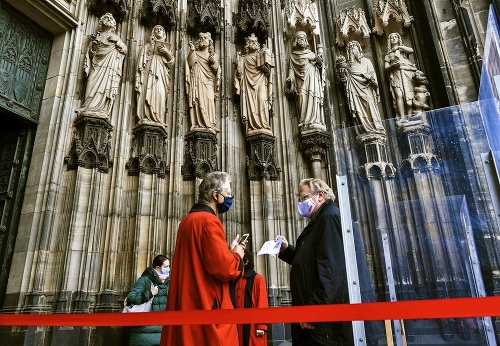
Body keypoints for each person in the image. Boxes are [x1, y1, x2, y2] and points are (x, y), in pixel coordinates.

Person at [277, 178, 383, 346]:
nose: (300, 203)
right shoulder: (320, 220)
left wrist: (313, 312)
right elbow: (312, 262)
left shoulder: (330, 218)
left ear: (320, 195)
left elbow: (331, 270)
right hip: (325, 322)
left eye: (303, 197)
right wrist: (286, 249)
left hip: (330, 324)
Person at [160, 171, 246, 346]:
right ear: (216, 195)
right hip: (206, 301)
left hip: (188, 300)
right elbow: (225, 268)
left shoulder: (187, 220)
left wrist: (226, 251)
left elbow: (202, 257)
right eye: (228, 193)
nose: (230, 197)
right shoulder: (209, 221)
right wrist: (237, 254)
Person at [77, 13, 127, 119]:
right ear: (101, 22)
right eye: (106, 18)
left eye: (111, 19)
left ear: (114, 24)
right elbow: (90, 54)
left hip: (110, 68)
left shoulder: (116, 37)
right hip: (97, 65)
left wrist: (117, 42)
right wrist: (94, 46)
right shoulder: (97, 36)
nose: (108, 19)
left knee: (105, 87)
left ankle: (102, 109)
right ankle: (88, 106)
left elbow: (124, 50)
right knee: (91, 82)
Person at [336, 41, 385, 136]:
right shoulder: (348, 66)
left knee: (369, 103)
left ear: (359, 49)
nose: (352, 50)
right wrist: (341, 73)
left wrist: (369, 78)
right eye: (350, 49)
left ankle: (376, 127)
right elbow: (345, 80)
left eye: (354, 47)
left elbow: (372, 75)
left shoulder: (366, 61)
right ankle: (364, 129)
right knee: (358, 109)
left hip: (365, 88)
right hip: (354, 90)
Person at [235, 33, 274, 136]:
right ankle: (251, 126)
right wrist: (238, 70)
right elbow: (240, 76)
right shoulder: (244, 59)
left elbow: (268, 72)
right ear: (247, 45)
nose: (254, 44)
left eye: (255, 42)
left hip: (260, 83)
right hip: (248, 86)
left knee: (262, 100)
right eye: (252, 42)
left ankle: (263, 124)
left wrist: (264, 66)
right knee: (251, 105)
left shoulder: (260, 55)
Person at [285, 31, 326, 132]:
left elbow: (320, 68)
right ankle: (305, 122)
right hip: (301, 82)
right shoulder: (293, 56)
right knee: (302, 98)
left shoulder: (311, 54)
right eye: (299, 38)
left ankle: (316, 120)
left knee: (314, 97)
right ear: (295, 41)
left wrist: (319, 64)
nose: (301, 40)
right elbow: (291, 70)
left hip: (312, 79)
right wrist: (290, 79)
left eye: (303, 38)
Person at [126, 255, 171, 346]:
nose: (169, 269)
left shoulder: (169, 282)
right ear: (158, 268)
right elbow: (131, 298)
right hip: (144, 332)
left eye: (169, 266)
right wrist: (149, 294)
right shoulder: (145, 280)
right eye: (166, 267)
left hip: (162, 331)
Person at [135, 25, 175, 125]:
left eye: (161, 29)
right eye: (156, 29)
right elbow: (141, 63)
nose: (159, 30)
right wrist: (151, 50)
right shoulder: (147, 46)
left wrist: (166, 53)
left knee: (160, 94)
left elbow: (171, 63)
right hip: (149, 74)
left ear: (164, 33)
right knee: (147, 93)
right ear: (153, 32)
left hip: (161, 75)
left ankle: (158, 118)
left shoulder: (167, 48)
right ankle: (146, 116)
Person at [186, 32, 220, 133]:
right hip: (198, 81)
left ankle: (211, 123)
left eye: (205, 38)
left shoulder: (213, 55)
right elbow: (190, 64)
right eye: (201, 38)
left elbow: (217, 70)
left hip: (208, 81)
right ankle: (197, 123)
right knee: (198, 100)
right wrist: (192, 51)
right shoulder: (196, 53)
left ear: (210, 42)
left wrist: (214, 62)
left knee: (209, 100)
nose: (203, 40)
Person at [235, 250, 268, 346]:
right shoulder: (236, 279)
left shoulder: (257, 279)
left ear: (245, 262)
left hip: (253, 326)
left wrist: (261, 326)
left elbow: (262, 302)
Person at [384, 32, 418, 122]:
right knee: (399, 95)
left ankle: (410, 115)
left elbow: (411, 50)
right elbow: (386, 67)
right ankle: (402, 117)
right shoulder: (388, 55)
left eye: (396, 37)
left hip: (407, 72)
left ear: (399, 39)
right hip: (396, 74)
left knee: (409, 95)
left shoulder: (403, 50)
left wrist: (399, 47)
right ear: (389, 41)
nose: (394, 38)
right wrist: (393, 66)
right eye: (392, 37)